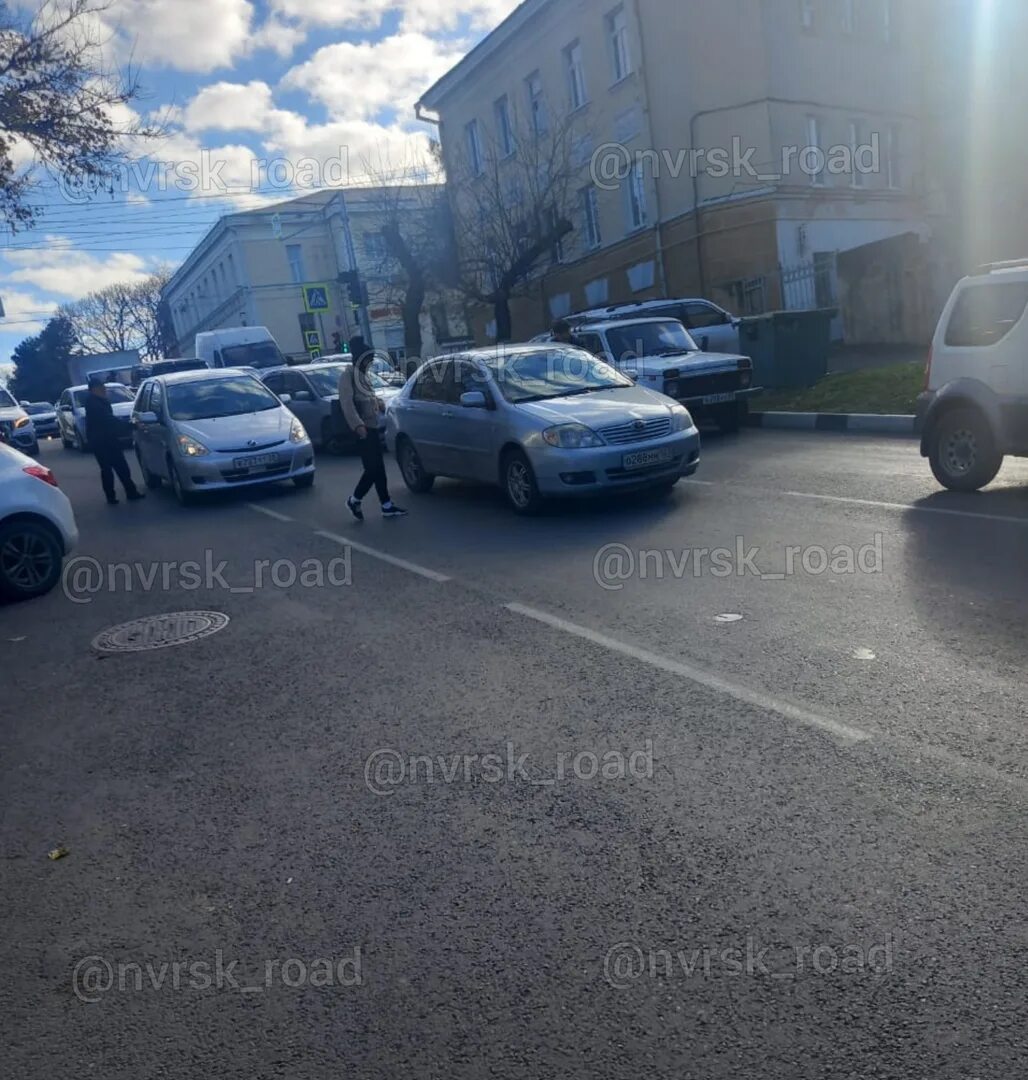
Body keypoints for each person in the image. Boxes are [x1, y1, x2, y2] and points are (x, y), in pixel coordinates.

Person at [339, 339, 407, 520]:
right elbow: (347, 403)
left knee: (377, 469)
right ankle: (355, 500)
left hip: (372, 426)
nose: (370, 362)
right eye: (368, 358)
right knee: (372, 469)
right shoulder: (348, 375)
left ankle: (386, 505)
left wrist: (379, 403)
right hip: (362, 430)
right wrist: (357, 425)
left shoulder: (364, 375)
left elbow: (368, 397)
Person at [83, 377, 144, 505]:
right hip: (103, 441)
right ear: (94, 389)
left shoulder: (96, 401)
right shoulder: (95, 404)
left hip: (104, 440)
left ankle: (121, 494)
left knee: (114, 468)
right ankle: (124, 493)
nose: (104, 390)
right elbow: (109, 420)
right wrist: (130, 426)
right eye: (101, 387)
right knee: (114, 468)